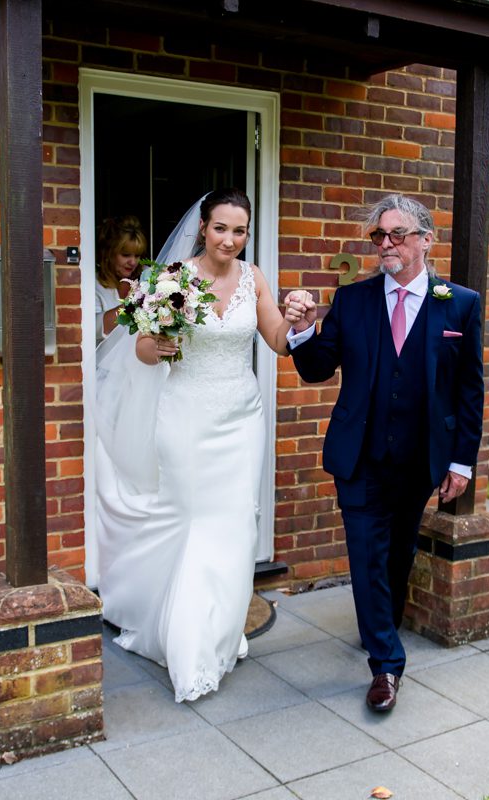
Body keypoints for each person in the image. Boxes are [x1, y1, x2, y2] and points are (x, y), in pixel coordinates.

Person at [95, 188, 309, 703]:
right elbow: (143, 348)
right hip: (186, 415)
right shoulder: (171, 279)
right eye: (221, 229)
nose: (230, 240)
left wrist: (300, 321)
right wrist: (159, 345)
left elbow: (277, 341)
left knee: (234, 523)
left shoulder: (253, 278)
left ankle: (220, 632)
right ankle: (188, 646)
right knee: (191, 519)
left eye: (240, 231)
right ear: (203, 228)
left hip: (240, 419)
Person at [286, 194, 484, 713]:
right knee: (367, 555)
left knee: (398, 555)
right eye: (379, 236)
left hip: (421, 459)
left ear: (425, 239)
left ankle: (379, 627)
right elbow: (315, 369)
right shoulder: (353, 300)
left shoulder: (459, 303)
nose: (386, 245)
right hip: (360, 456)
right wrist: (304, 328)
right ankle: (386, 664)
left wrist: (462, 462)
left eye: (397, 234)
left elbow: (469, 390)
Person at [94, 215, 147, 343]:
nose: (133, 262)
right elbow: (94, 328)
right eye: (126, 255)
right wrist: (131, 305)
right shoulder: (94, 283)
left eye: (137, 255)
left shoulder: (148, 276)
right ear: (109, 253)